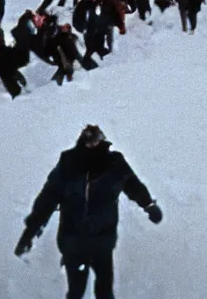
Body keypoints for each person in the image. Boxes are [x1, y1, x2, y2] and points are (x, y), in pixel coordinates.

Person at [16, 125, 163, 299]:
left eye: (96, 142)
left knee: (105, 291)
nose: (92, 145)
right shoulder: (68, 164)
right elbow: (47, 200)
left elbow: (134, 186)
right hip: (73, 241)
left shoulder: (114, 164)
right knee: (76, 291)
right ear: (82, 142)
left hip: (102, 240)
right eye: (89, 142)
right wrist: (30, 233)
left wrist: (149, 206)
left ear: (102, 141)